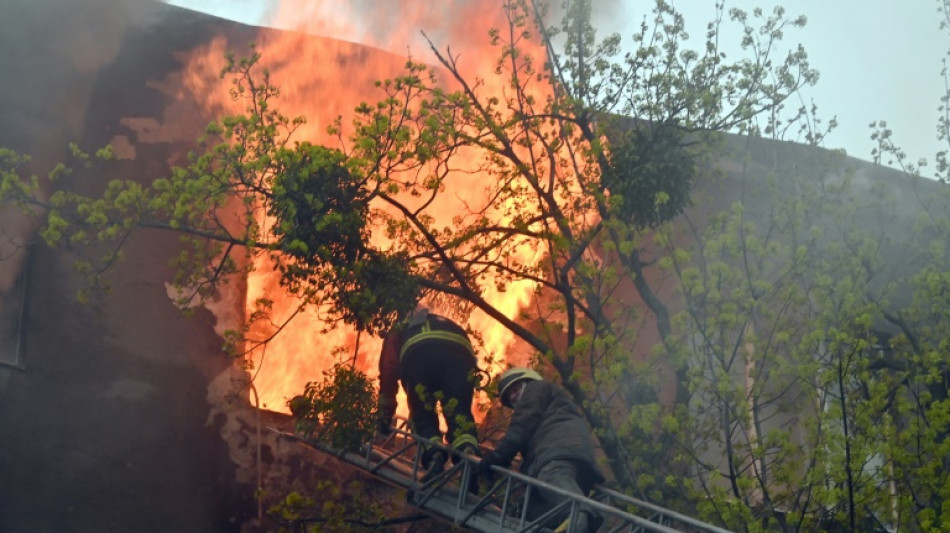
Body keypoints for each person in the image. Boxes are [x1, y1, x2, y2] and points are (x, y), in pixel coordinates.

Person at [477, 367, 605, 533]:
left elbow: (520, 428)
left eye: (514, 390)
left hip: (557, 453)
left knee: (551, 477)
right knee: (528, 510)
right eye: (509, 397)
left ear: (527, 381)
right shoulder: (551, 402)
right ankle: (570, 521)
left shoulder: (536, 389)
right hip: (571, 458)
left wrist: (497, 457)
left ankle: (579, 516)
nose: (513, 397)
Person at [376, 305, 480, 481]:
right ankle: (468, 456)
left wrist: (385, 415)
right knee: (459, 414)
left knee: (422, 414)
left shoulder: (399, 328)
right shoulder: (443, 322)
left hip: (420, 356)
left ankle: (434, 457)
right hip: (462, 358)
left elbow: (389, 369)